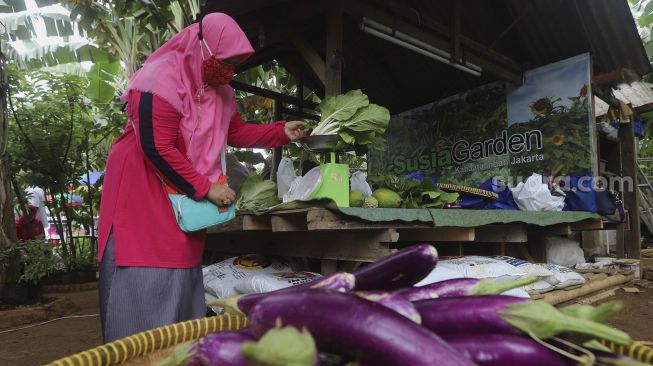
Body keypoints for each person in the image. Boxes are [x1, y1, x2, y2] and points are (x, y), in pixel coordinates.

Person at [97, 13, 307, 342]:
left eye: (236, 62)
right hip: (143, 188)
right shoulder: (159, 80)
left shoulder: (220, 91)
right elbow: (157, 148)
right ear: (202, 47)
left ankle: (176, 352)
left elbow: (236, 132)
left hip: (183, 192)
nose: (230, 69)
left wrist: (281, 131)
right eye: (225, 60)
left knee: (182, 266)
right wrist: (205, 188)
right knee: (144, 268)